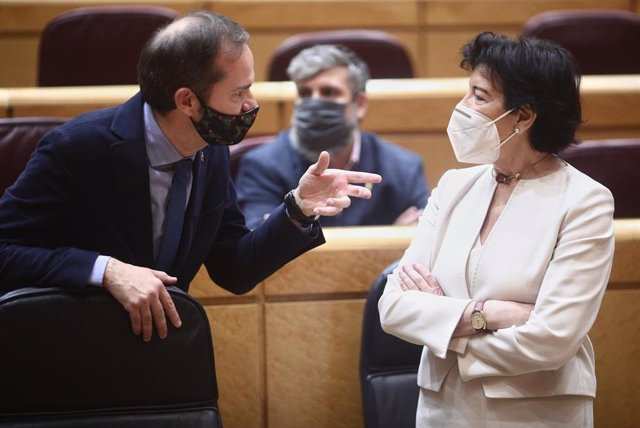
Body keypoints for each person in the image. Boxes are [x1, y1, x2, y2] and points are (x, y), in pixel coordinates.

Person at [0, 11, 381, 343]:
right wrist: (105, 270)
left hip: (160, 351)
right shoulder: (79, 147)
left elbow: (234, 268)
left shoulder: (209, 148)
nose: (251, 105)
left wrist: (297, 209)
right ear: (187, 101)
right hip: (71, 348)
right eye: (239, 93)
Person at [378, 32, 614, 427]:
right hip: (442, 410)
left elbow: (552, 339)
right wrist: (488, 314)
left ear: (523, 115)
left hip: (535, 412)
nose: (462, 107)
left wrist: (443, 329)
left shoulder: (584, 202)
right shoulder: (454, 186)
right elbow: (393, 307)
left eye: (479, 96)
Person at [235, 44, 429, 229]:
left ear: (360, 104)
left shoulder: (403, 168)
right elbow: (258, 238)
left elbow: (425, 236)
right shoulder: (262, 165)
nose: (315, 103)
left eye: (328, 92)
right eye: (305, 93)